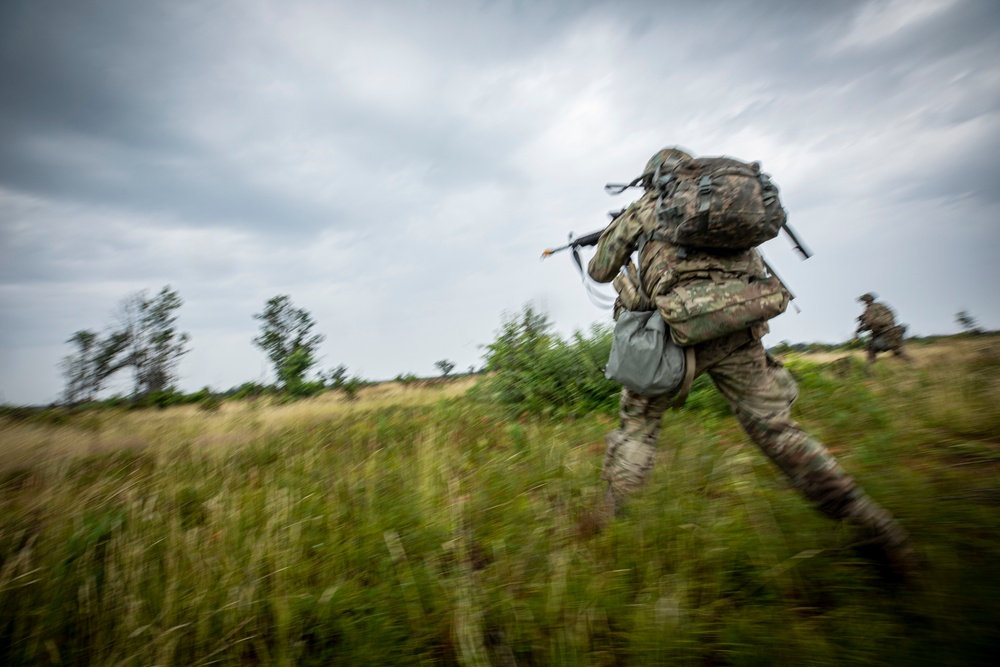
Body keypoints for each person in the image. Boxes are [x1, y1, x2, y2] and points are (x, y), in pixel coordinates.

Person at [587, 147, 915, 575]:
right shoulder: (729, 209)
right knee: (779, 432)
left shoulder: (650, 206)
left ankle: (604, 532)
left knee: (638, 430)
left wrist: (626, 231)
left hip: (667, 336)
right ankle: (874, 526)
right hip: (738, 333)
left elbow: (599, 269)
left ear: (653, 180)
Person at [856, 293, 912, 368]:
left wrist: (861, 329)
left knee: (871, 350)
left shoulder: (870, 309)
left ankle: (868, 370)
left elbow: (870, 323)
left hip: (884, 334)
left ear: (866, 300)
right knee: (898, 352)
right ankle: (914, 365)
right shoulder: (881, 306)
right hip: (893, 331)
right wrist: (863, 318)